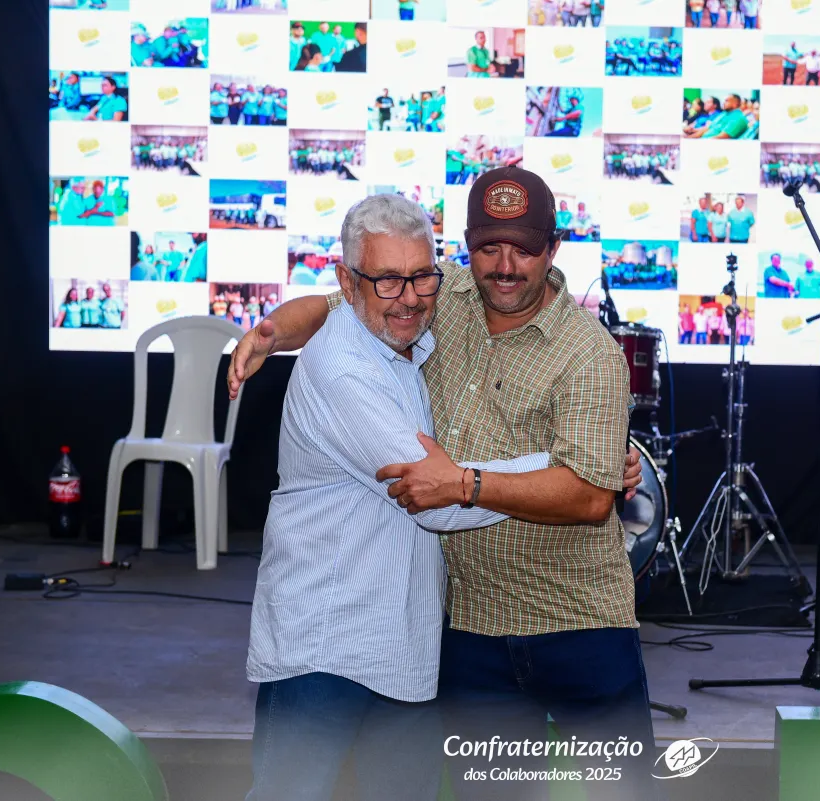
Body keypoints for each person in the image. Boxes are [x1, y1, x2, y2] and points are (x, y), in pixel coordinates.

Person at [227, 170, 653, 801]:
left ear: (553, 248)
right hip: (452, 636)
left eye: (523, 249)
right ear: (467, 248)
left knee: (622, 794)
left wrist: (578, 471)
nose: (505, 266)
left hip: (575, 624)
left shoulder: (587, 351)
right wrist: (274, 330)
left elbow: (589, 499)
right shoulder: (430, 303)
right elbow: (432, 491)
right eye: (488, 248)